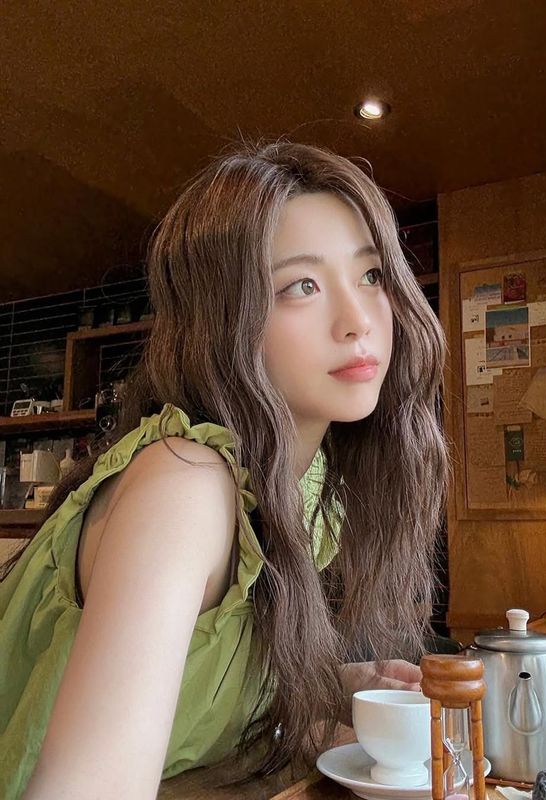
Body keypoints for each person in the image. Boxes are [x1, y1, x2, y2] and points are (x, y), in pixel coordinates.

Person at [0, 139, 448, 799]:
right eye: (301, 286)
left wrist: (328, 690)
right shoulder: (185, 484)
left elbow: (194, 688)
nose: (358, 321)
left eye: (372, 275)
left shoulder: (306, 488)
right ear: (223, 320)